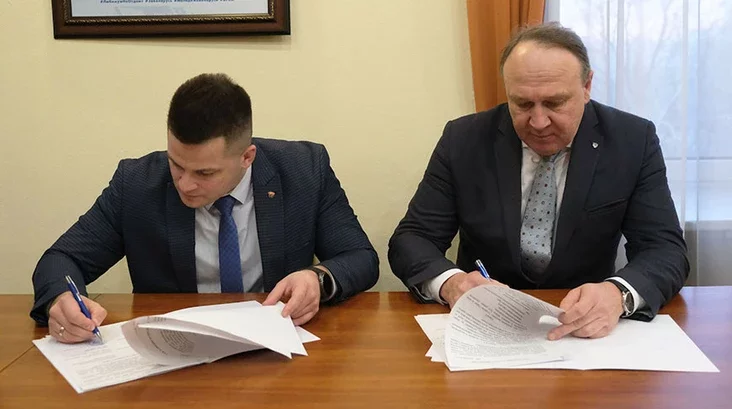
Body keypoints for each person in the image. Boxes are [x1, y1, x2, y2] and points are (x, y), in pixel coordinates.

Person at [388, 23, 688, 340]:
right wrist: (452, 283)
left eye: (555, 103)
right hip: (487, 325)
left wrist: (618, 294)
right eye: (523, 104)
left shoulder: (632, 140)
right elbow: (413, 238)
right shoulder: (464, 140)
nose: (539, 122)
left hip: (584, 328)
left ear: (587, 86)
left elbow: (664, 249)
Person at [32, 73, 379, 343]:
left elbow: (360, 257)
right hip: (174, 354)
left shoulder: (304, 169)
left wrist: (317, 279)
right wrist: (60, 299)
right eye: (176, 164)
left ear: (247, 157)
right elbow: (61, 259)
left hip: (277, 348)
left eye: (204, 173)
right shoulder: (136, 183)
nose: (184, 184)